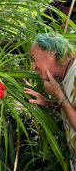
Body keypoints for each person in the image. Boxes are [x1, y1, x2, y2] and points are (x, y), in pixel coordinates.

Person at [24, 33, 76, 170]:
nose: (33, 67)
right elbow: (71, 110)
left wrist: (59, 95)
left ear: (51, 52)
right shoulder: (65, 77)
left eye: (34, 59)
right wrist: (49, 102)